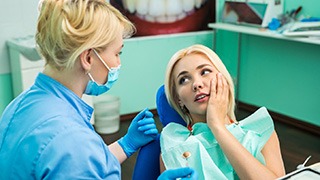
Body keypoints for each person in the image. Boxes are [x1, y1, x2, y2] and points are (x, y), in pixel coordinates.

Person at [0, 0, 197, 179]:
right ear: (87, 58)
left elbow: (82, 164)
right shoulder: (71, 140)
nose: (118, 62)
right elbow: (76, 157)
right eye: (117, 53)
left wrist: (126, 144)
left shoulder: (19, 106)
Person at [159, 44, 286, 179]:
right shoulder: (173, 147)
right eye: (183, 80)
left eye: (205, 72)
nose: (197, 84)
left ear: (224, 79)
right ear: (179, 99)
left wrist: (217, 127)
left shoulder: (260, 132)